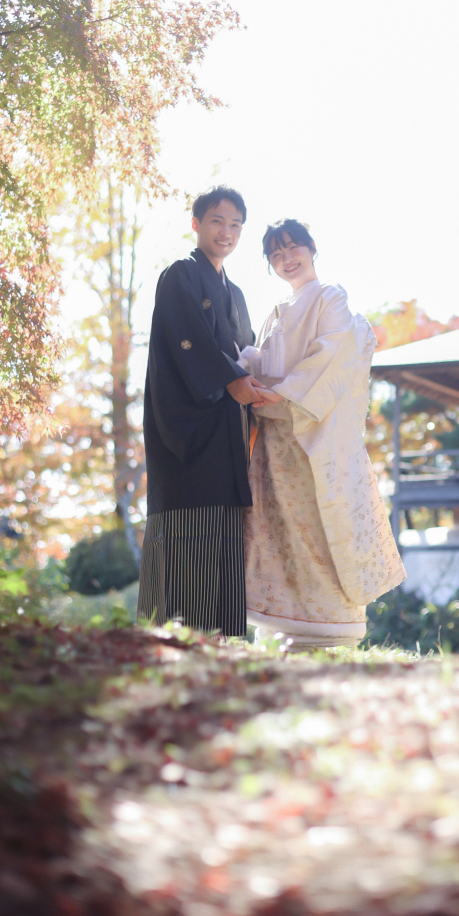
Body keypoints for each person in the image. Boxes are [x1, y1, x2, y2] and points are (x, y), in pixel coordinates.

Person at [239, 218, 406, 648]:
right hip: (277, 439)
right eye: (275, 255)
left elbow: (332, 352)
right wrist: (247, 370)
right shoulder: (274, 313)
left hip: (312, 431)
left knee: (319, 527)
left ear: (312, 249)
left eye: (292, 248)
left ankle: (330, 629)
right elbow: (262, 363)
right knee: (280, 531)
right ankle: (286, 626)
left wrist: (285, 394)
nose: (286, 259)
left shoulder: (330, 297)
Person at [138, 186, 280, 635]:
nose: (227, 232)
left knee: (224, 529)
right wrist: (231, 380)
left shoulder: (234, 293)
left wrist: (256, 381)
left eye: (236, 224)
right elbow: (187, 341)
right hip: (187, 430)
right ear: (196, 224)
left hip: (227, 430)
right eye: (217, 221)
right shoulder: (180, 275)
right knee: (188, 525)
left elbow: (249, 350)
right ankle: (176, 637)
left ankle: (223, 640)